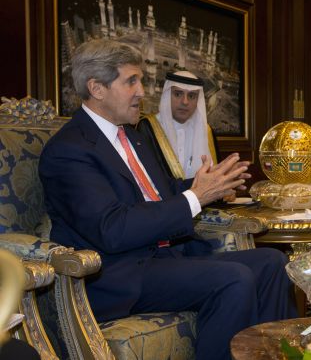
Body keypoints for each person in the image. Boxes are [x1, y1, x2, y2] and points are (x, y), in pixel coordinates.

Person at [39, 39, 296, 360]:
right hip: (119, 273)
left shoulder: (133, 136)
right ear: (97, 88)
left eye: (141, 81)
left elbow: (161, 193)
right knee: (234, 278)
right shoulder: (70, 149)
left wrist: (208, 186)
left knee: (272, 262)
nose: (142, 91)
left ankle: (271, 355)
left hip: (165, 258)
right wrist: (195, 196)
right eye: (131, 81)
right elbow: (112, 228)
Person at [137, 70, 221, 181]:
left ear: (198, 100)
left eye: (191, 96)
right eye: (178, 94)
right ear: (167, 95)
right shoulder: (148, 127)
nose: (185, 102)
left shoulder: (206, 131)